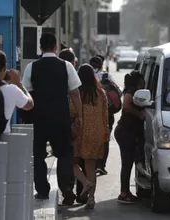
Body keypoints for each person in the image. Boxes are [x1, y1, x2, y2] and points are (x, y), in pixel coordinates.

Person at [22, 33, 83, 205]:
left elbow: (26, 92)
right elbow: (75, 93)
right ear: (56, 47)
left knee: (38, 155)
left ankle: (42, 191)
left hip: (38, 118)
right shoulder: (66, 66)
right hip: (60, 118)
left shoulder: (31, 67)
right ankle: (67, 190)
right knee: (65, 154)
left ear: (40, 48)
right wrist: (79, 115)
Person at [59, 48, 92, 204]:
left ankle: (71, 191)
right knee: (83, 162)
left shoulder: (68, 82)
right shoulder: (97, 91)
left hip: (71, 128)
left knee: (69, 161)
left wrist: (77, 117)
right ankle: (83, 193)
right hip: (90, 131)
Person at [76, 63, 109, 209]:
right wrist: (105, 134)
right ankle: (91, 198)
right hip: (97, 133)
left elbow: (72, 111)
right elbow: (105, 116)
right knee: (91, 166)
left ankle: (84, 182)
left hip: (80, 132)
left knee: (72, 161)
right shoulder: (101, 93)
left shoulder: (78, 92)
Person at [0, 50, 34, 140]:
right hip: (1, 142)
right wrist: (19, 83)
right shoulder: (12, 90)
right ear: (5, 68)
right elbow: (29, 105)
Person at [114, 70, 145, 204]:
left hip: (128, 131)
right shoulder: (132, 90)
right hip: (126, 131)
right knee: (127, 163)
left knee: (128, 162)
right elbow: (126, 105)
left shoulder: (133, 90)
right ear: (139, 80)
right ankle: (123, 193)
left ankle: (125, 191)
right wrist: (139, 115)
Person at [90, 56, 121, 175]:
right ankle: (101, 165)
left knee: (90, 137)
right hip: (106, 113)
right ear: (101, 64)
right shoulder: (106, 76)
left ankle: (90, 163)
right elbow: (117, 92)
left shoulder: (82, 74)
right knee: (105, 139)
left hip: (89, 112)